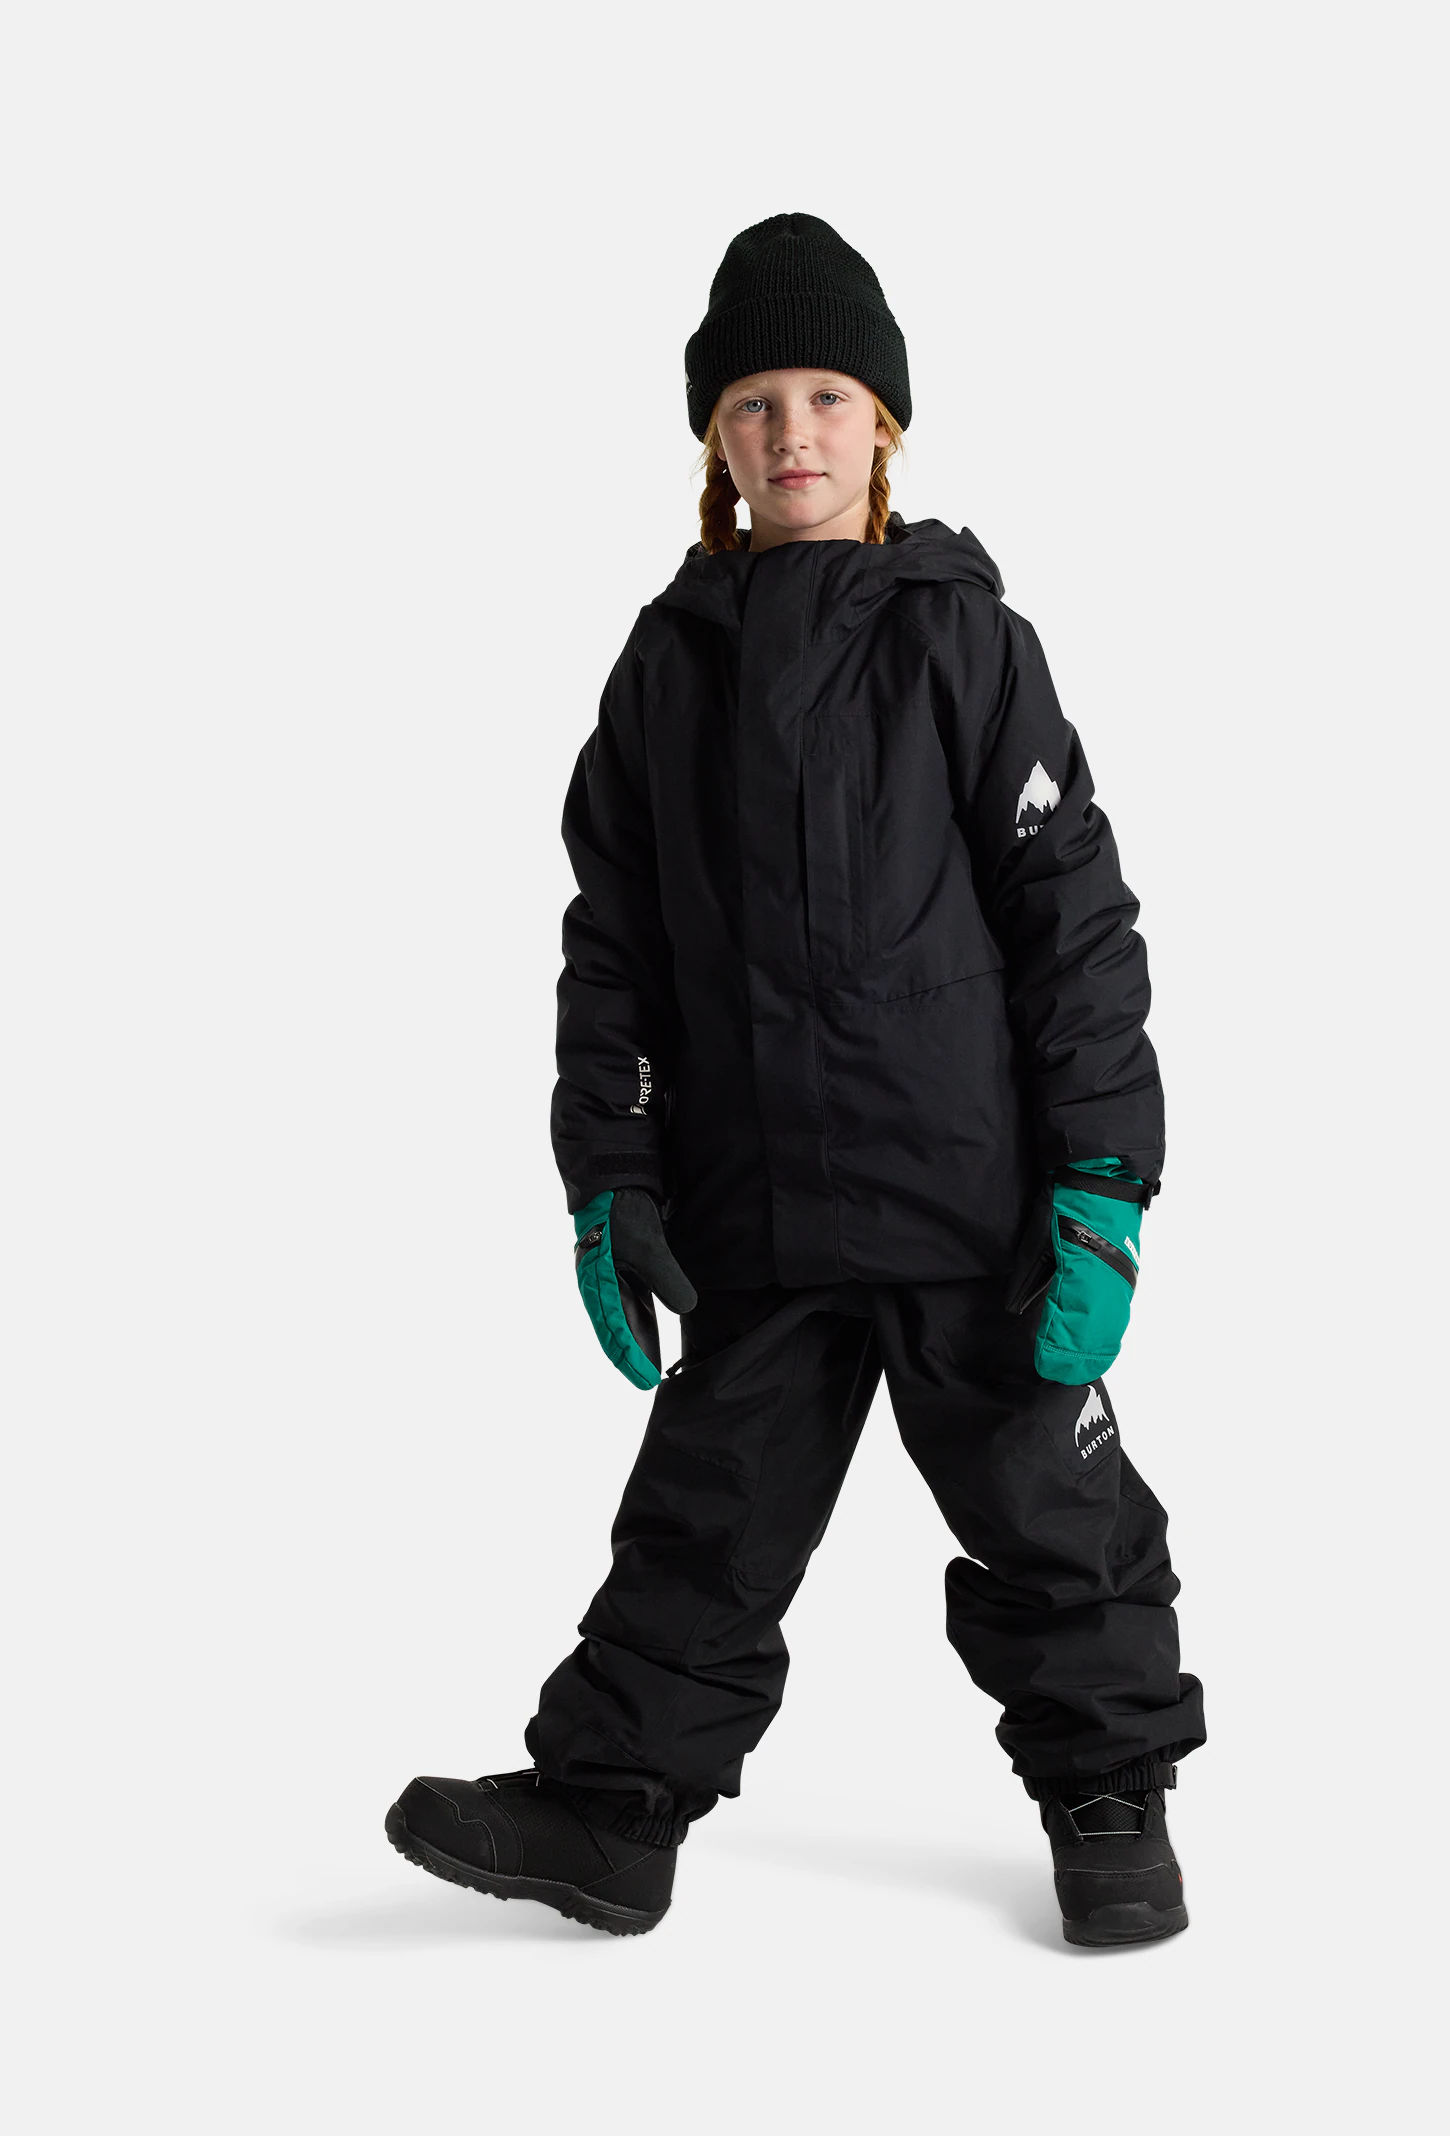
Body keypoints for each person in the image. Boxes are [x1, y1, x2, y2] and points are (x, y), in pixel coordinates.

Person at [386, 212, 1205, 1946]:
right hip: (751, 1204)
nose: (792, 433)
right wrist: (609, 1178)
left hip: (965, 1200)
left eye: (827, 396)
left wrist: (1099, 1179)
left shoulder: (962, 642)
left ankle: (1110, 1794)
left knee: (1047, 1509)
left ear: (884, 423)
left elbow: (1073, 919)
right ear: (713, 437)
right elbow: (612, 947)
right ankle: (612, 1812)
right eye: (752, 403)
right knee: (702, 1522)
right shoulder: (664, 665)